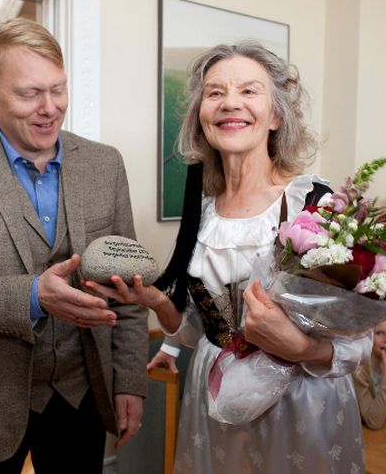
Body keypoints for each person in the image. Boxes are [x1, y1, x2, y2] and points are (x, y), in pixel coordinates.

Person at [86, 41, 371, 473]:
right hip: (217, 403)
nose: (230, 103)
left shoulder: (314, 204)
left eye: (249, 91)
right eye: (215, 92)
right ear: (202, 115)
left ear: (276, 115)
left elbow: (359, 340)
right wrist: (159, 304)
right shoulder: (201, 213)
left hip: (301, 407)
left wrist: (300, 347)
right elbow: (200, 328)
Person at [0, 18, 148, 474]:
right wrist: (35, 295)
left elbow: (130, 283)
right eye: (29, 93)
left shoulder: (104, 164)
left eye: (58, 89)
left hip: (82, 396)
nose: (50, 108)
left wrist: (130, 381)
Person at [353, 316, 386, 429]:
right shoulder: (359, 367)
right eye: (379, 333)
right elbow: (373, 422)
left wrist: (376, 415)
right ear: (368, 336)